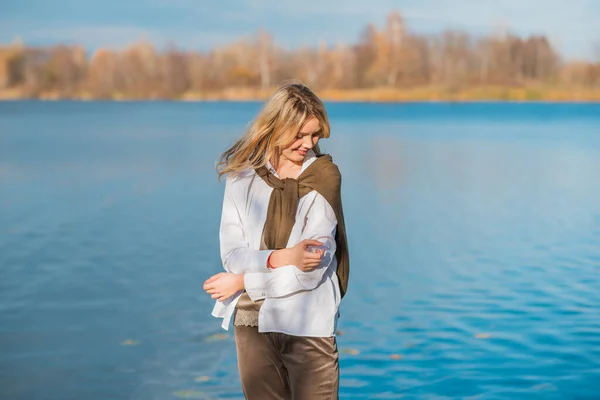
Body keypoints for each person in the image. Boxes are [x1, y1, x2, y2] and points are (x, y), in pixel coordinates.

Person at [203, 81, 350, 400]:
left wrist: (243, 282)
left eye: (314, 135)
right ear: (275, 126)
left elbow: (310, 271)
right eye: (299, 134)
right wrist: (285, 258)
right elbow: (233, 255)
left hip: (308, 327)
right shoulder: (241, 176)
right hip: (252, 324)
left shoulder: (323, 178)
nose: (308, 144)